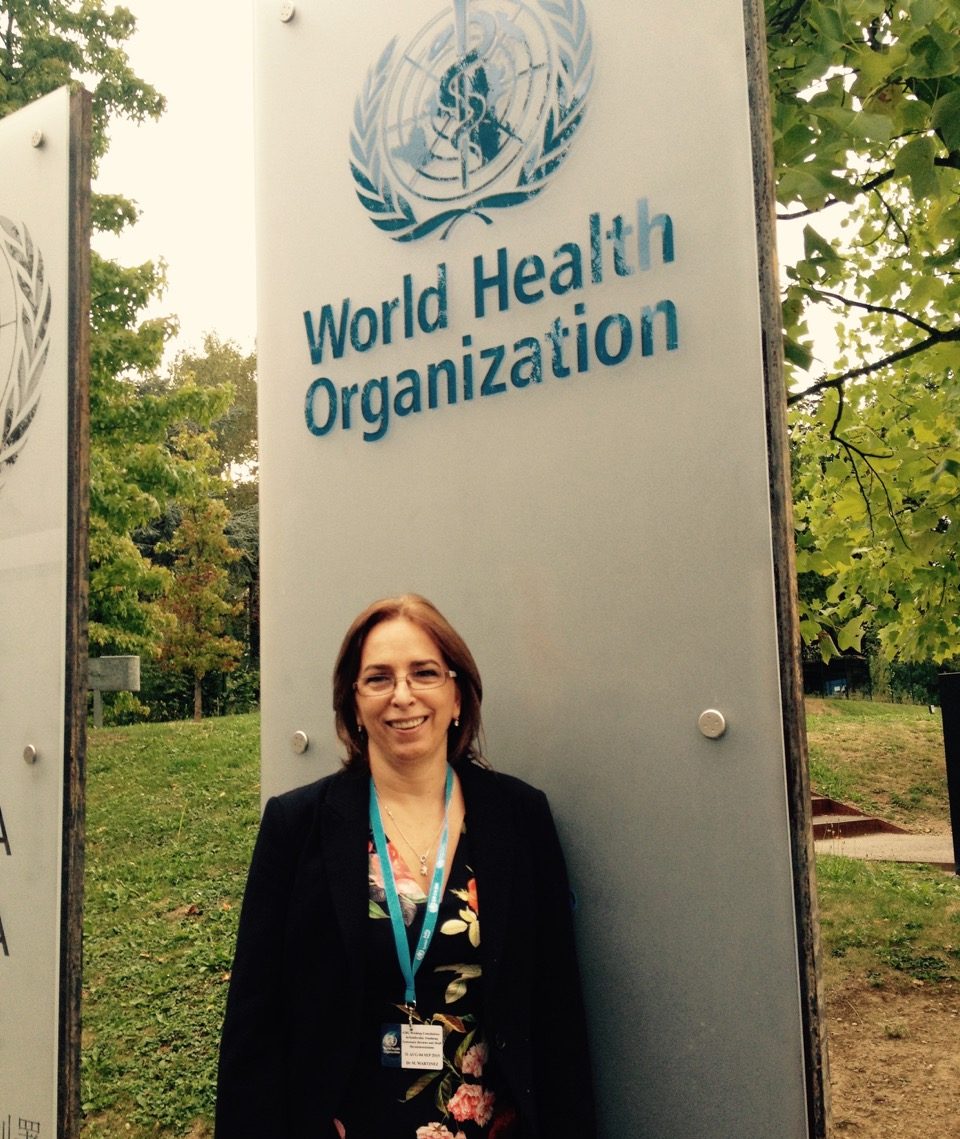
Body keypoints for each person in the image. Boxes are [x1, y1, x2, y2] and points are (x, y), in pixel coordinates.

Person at [216, 594, 596, 1139]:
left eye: (424, 673)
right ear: (353, 703)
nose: (402, 695)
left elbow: (556, 1009)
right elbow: (254, 1021)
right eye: (378, 678)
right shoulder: (296, 826)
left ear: (457, 694)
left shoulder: (519, 818)